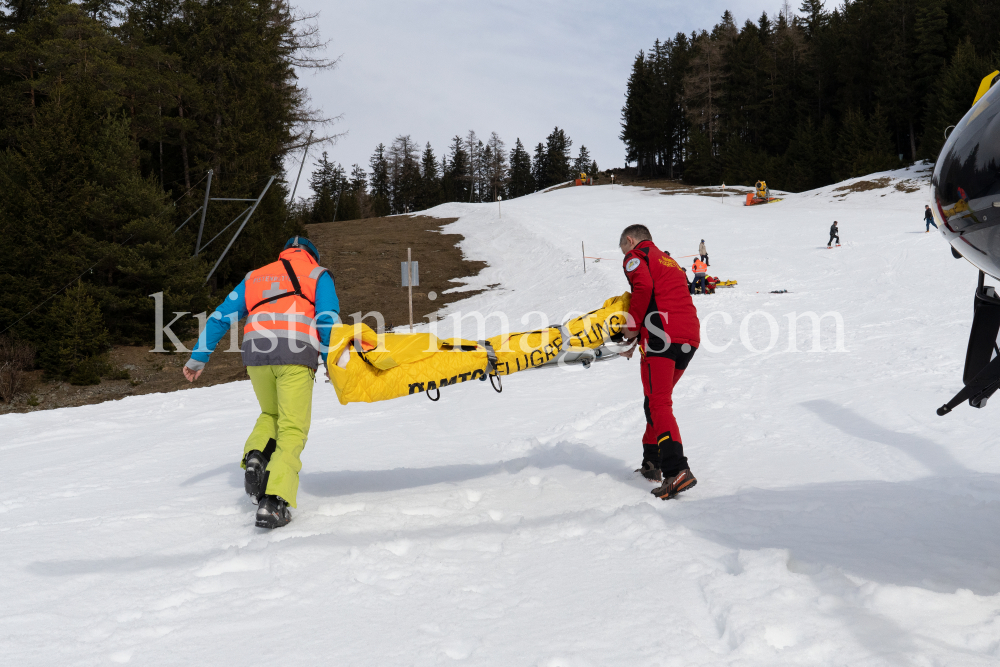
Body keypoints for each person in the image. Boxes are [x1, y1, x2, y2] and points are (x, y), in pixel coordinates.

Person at [182, 237, 340, 529]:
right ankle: (274, 501)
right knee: (293, 427)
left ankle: (256, 458)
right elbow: (327, 318)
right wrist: (332, 360)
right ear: (312, 256)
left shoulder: (255, 277)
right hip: (295, 353)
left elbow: (220, 317)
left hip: (255, 354)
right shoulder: (318, 275)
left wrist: (198, 357)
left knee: (272, 414)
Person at [619, 224, 700, 500]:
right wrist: (637, 339)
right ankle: (651, 461)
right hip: (688, 336)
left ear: (630, 241)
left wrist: (631, 328)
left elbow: (643, 287)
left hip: (661, 336)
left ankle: (676, 470)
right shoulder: (669, 260)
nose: (624, 254)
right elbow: (664, 296)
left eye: (623, 247)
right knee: (655, 398)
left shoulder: (636, 257)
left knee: (659, 402)